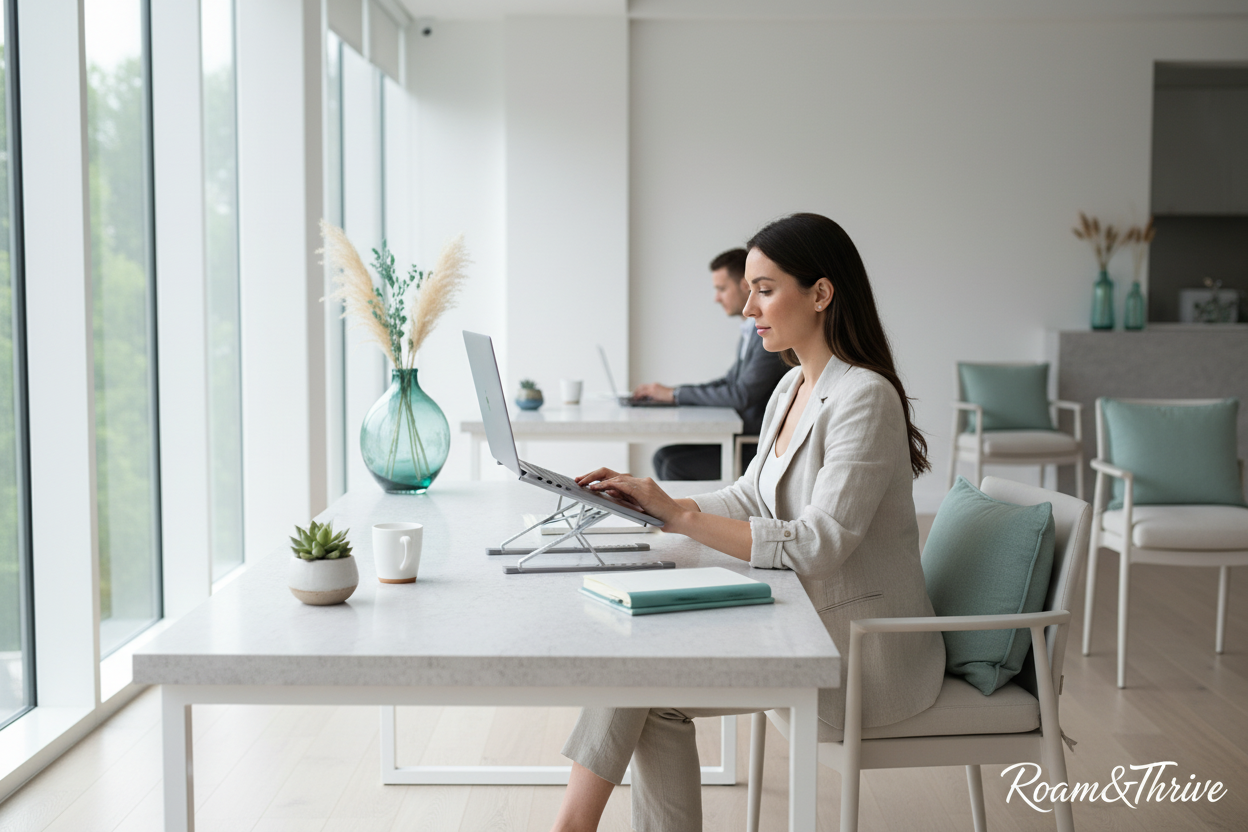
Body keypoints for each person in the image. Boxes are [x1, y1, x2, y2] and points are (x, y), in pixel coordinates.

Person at [549, 213, 946, 832]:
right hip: (796, 614)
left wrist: (682, 518)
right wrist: (657, 504)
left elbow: (817, 544)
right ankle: (573, 826)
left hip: (855, 653)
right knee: (640, 655)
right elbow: (752, 495)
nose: (747, 308)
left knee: (642, 668)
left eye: (764, 289)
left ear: (820, 294)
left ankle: (571, 826)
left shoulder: (865, 396)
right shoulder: (791, 386)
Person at [634, 248, 788, 480]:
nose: (716, 297)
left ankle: (687, 516)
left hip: (754, 445)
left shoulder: (768, 336)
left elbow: (741, 394)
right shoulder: (750, 331)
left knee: (672, 465)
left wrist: (675, 395)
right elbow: (729, 382)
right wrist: (672, 393)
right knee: (663, 457)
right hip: (741, 437)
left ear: (744, 286)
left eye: (721, 289)